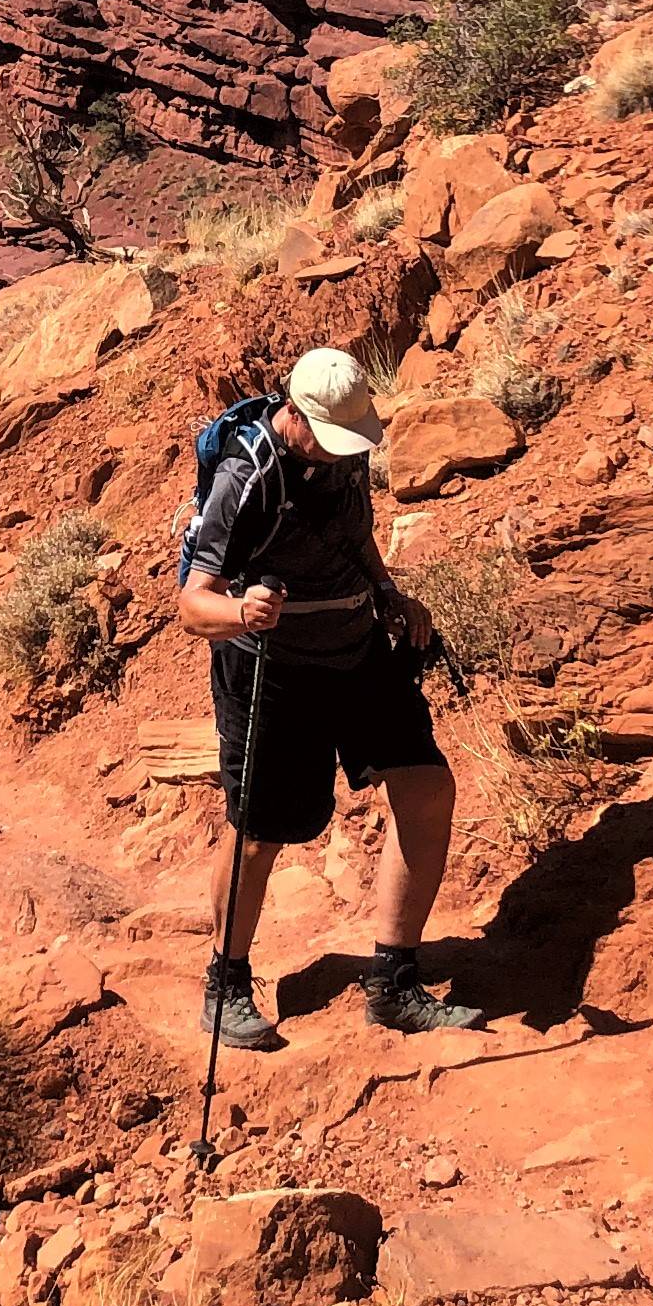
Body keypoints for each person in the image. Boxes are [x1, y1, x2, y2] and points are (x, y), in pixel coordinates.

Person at [177, 345, 484, 1048]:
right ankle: (226, 985)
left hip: (357, 647)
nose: (345, 452)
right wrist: (242, 612)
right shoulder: (247, 476)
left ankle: (394, 983)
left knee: (427, 786)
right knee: (259, 833)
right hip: (271, 668)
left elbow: (357, 536)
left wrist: (388, 592)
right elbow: (193, 605)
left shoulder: (345, 455)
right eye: (331, 438)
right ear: (294, 412)